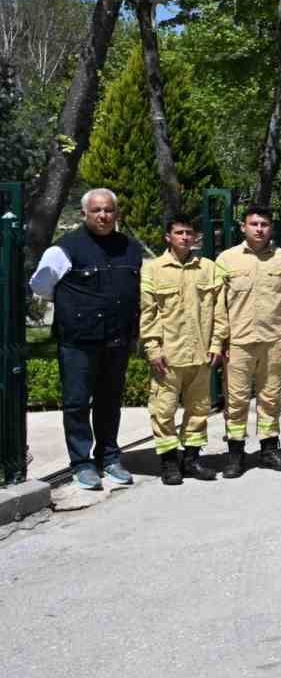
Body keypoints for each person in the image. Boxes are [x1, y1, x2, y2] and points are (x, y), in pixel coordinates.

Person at [30, 189, 144, 491]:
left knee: (110, 403)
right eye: (97, 211)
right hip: (78, 342)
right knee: (77, 404)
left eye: (109, 210)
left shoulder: (130, 248)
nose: (104, 216)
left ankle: (109, 458)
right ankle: (81, 464)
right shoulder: (64, 249)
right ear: (84, 214)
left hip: (117, 340)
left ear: (116, 213)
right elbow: (41, 286)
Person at [138, 213, 223, 485]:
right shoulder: (152, 270)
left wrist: (218, 342)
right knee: (162, 411)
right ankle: (169, 463)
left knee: (198, 410)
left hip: (200, 354)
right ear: (168, 237)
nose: (185, 237)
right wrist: (152, 348)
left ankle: (192, 460)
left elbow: (220, 311)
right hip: (168, 356)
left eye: (189, 233)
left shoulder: (209, 268)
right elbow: (147, 312)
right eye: (179, 233)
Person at [215, 205, 281, 476]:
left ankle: (269, 449)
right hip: (237, 343)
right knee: (236, 400)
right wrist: (220, 340)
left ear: (270, 228)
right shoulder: (227, 260)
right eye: (254, 224)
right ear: (243, 227)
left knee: (270, 397)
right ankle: (235, 454)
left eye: (264, 224)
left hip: (273, 341)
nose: (259, 229)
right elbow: (218, 305)